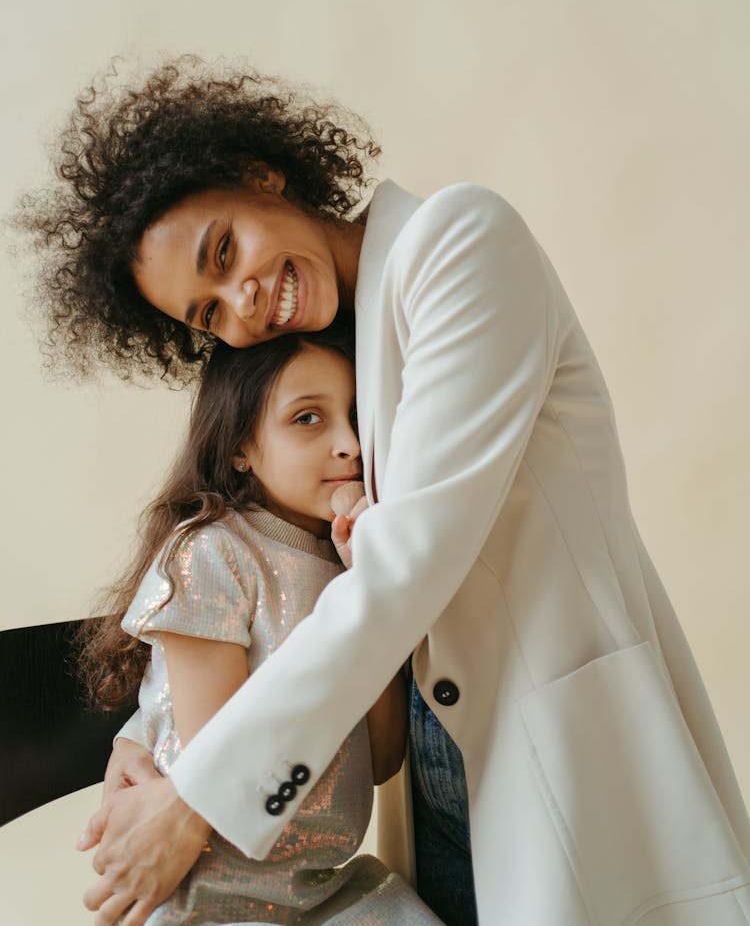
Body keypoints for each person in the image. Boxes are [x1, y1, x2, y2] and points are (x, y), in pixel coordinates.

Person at [17, 58, 750, 926]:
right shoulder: (336, 358)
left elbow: (404, 567)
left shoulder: (461, 246)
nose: (242, 302)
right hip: (440, 798)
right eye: (209, 313)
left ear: (263, 175)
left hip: (561, 759)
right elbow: (267, 573)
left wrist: (196, 800)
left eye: (224, 251)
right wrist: (146, 746)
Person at [78, 321, 440, 925]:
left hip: (326, 889)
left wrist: (370, 590)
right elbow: (222, 764)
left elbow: (381, 761)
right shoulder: (212, 553)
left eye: (355, 414)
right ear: (240, 446)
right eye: (308, 418)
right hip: (213, 897)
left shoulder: (342, 558)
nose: (350, 442)